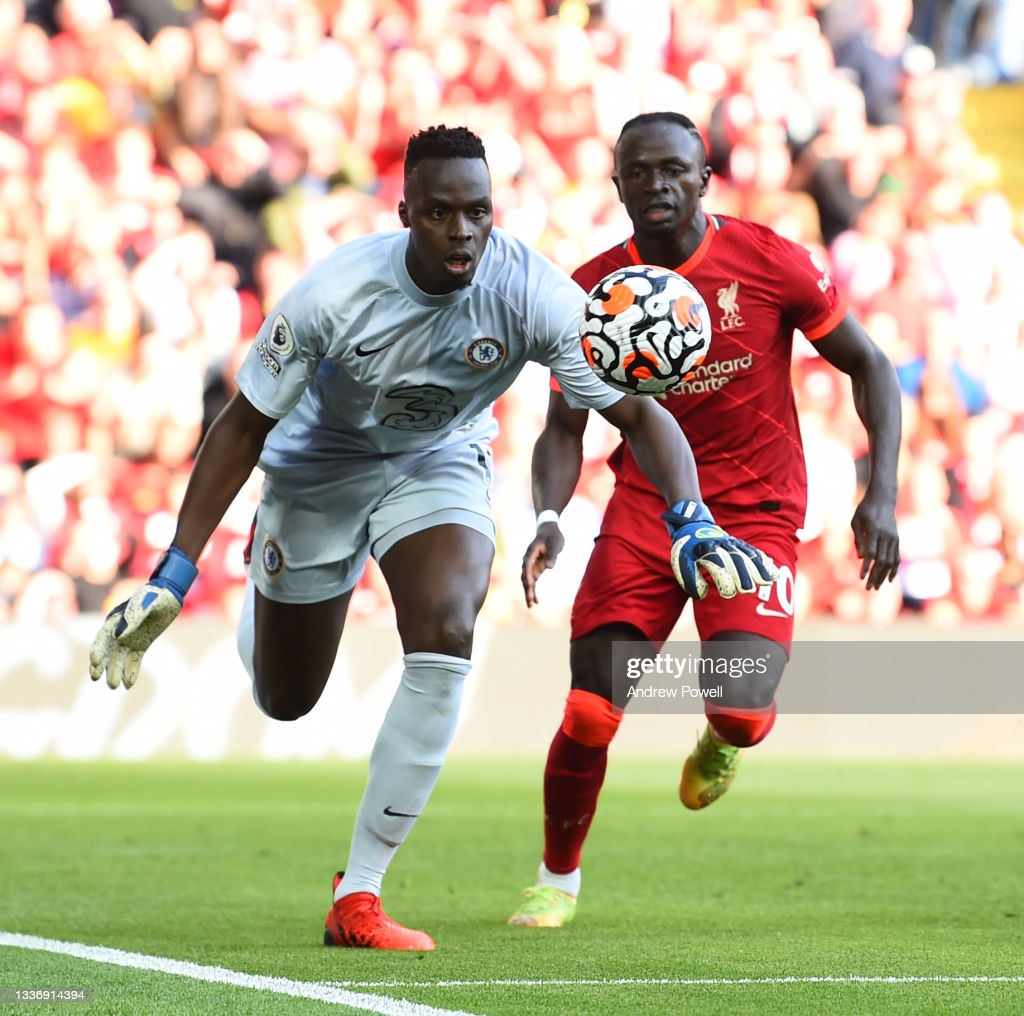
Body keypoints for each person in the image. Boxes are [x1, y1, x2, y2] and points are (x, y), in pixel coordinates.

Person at [87, 125, 777, 952]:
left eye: (477, 212)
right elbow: (241, 427)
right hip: (316, 475)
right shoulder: (333, 293)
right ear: (405, 209)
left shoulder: (531, 290)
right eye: (442, 213)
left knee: (450, 628)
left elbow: (638, 412)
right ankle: (260, 605)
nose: (462, 232)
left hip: (436, 461)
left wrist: (691, 519)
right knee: (287, 697)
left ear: (495, 213)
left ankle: (362, 893)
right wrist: (173, 572)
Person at [507, 111, 901, 929]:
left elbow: (869, 364)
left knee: (742, 706)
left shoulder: (770, 263)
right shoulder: (590, 293)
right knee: (590, 709)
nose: (656, 184)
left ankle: (723, 737)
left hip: (756, 514)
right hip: (646, 512)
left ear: (703, 179)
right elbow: (562, 429)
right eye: (639, 172)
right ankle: (556, 879)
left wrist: (883, 491)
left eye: (673, 170)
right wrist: (548, 513)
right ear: (617, 184)